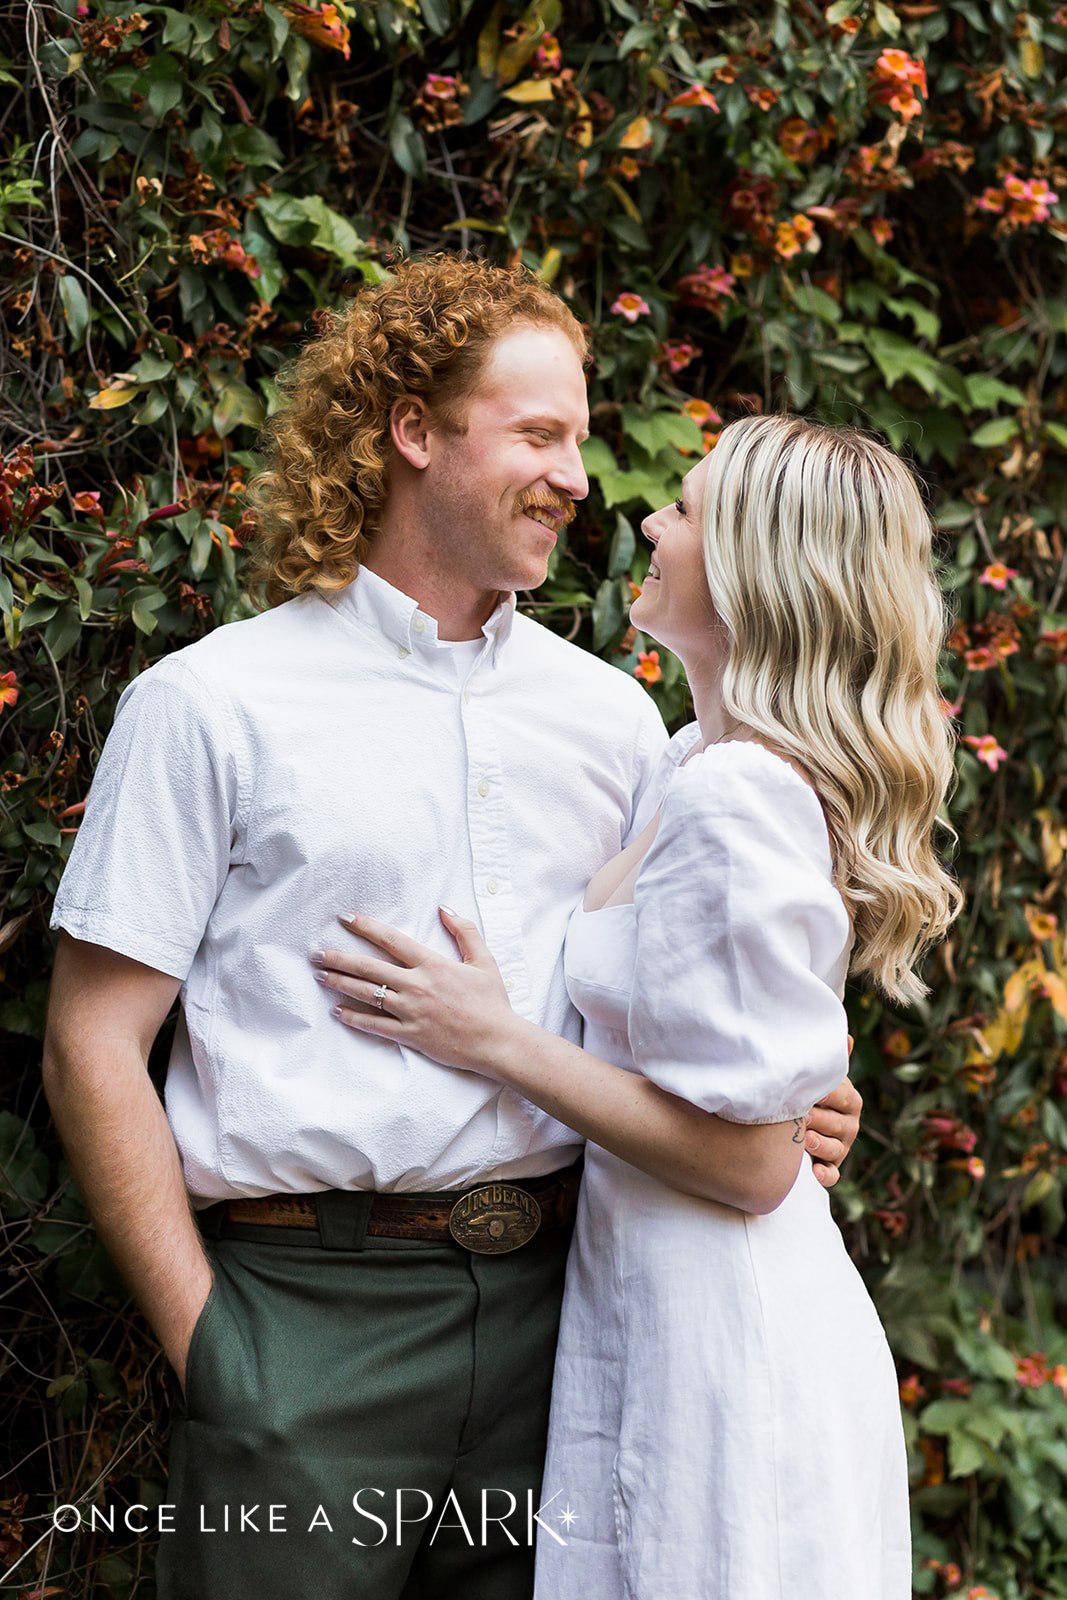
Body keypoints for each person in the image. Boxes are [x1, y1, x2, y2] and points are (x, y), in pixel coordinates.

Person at [41, 257, 861, 1600]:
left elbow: (687, 994)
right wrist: (222, 1357)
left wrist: (796, 1095)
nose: (578, 479)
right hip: (308, 1327)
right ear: (413, 429)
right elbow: (91, 1042)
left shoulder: (615, 723)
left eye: (580, 441)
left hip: (573, 1322)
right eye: (538, 435)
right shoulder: (213, 705)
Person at [307, 414, 964, 1599]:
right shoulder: (685, 763)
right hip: (646, 1291)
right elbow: (738, 1062)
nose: (649, 522)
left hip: (724, 1329)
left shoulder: (738, 795)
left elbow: (752, 1165)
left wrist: (491, 1037)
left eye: (686, 508)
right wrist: (801, 1099)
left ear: (758, 570)